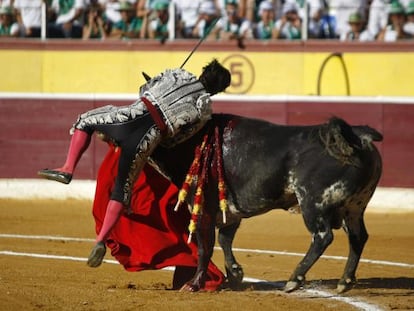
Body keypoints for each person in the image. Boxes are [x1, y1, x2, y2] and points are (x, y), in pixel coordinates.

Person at [38, 59, 231, 268]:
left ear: (203, 72)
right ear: (217, 91)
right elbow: (177, 139)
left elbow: (144, 90)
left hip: (129, 116)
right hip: (149, 137)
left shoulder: (178, 74)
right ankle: (101, 240)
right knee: (122, 191)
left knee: (84, 121)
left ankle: (68, 168)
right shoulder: (203, 109)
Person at [92, 143, 225, 290]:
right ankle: (191, 264)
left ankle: (193, 264)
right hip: (153, 151)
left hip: (144, 151)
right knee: (167, 208)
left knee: (162, 207)